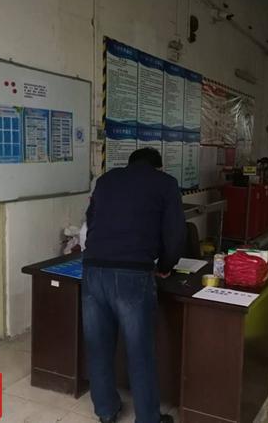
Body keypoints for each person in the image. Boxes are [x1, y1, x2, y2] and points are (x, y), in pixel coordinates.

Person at [82, 147, 186, 423]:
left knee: (98, 345)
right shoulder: (165, 183)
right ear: (158, 167)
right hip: (132, 275)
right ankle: (148, 418)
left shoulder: (106, 180)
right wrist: (165, 266)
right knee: (140, 351)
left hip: (92, 270)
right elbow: (175, 234)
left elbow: (90, 220)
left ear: (129, 164)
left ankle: (106, 411)